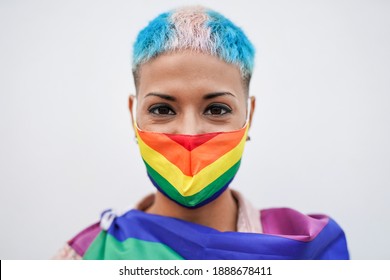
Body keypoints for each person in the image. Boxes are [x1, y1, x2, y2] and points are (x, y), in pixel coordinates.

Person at [54, 5, 349, 260]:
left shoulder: (311, 251)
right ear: (134, 115)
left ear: (250, 115)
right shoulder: (86, 258)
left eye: (217, 110)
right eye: (162, 110)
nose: (190, 134)